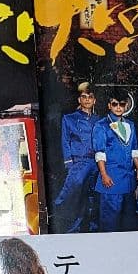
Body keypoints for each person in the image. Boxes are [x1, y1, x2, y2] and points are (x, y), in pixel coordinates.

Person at [93, 91, 138, 232]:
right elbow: (100, 153)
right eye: (115, 104)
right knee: (110, 221)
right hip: (111, 179)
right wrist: (104, 175)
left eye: (122, 104)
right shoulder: (101, 125)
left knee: (128, 221)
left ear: (126, 106)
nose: (118, 107)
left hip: (129, 181)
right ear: (109, 105)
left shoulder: (130, 124)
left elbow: (134, 149)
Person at [54, 82, 99, 232]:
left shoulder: (99, 120)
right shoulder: (69, 119)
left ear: (94, 100)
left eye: (90, 97)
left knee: (93, 197)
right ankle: (71, 229)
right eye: (84, 97)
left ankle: (92, 229)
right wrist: (69, 163)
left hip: (96, 163)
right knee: (74, 196)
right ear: (79, 99)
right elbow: (65, 141)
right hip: (79, 162)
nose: (87, 100)